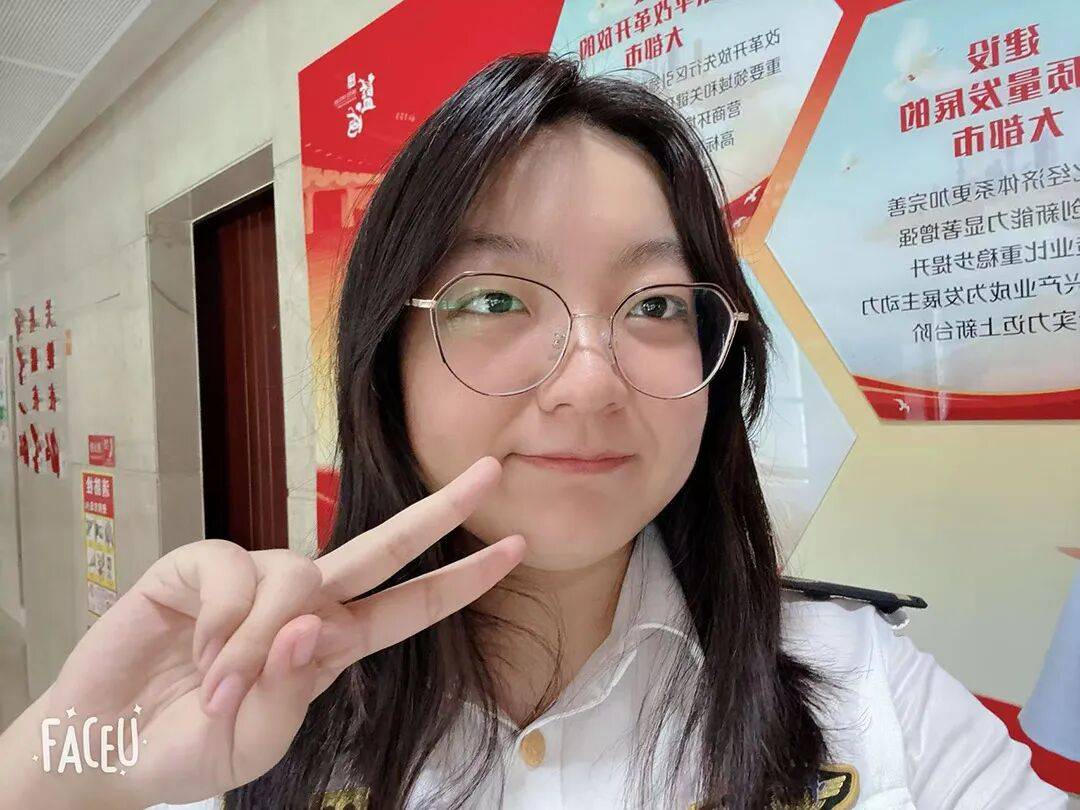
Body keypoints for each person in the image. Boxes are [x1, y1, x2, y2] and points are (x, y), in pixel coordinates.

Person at [0, 52, 1068, 810]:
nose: (589, 383)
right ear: (386, 361)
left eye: (656, 305)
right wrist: (60, 770)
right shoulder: (249, 711)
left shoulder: (868, 693)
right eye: (497, 300)